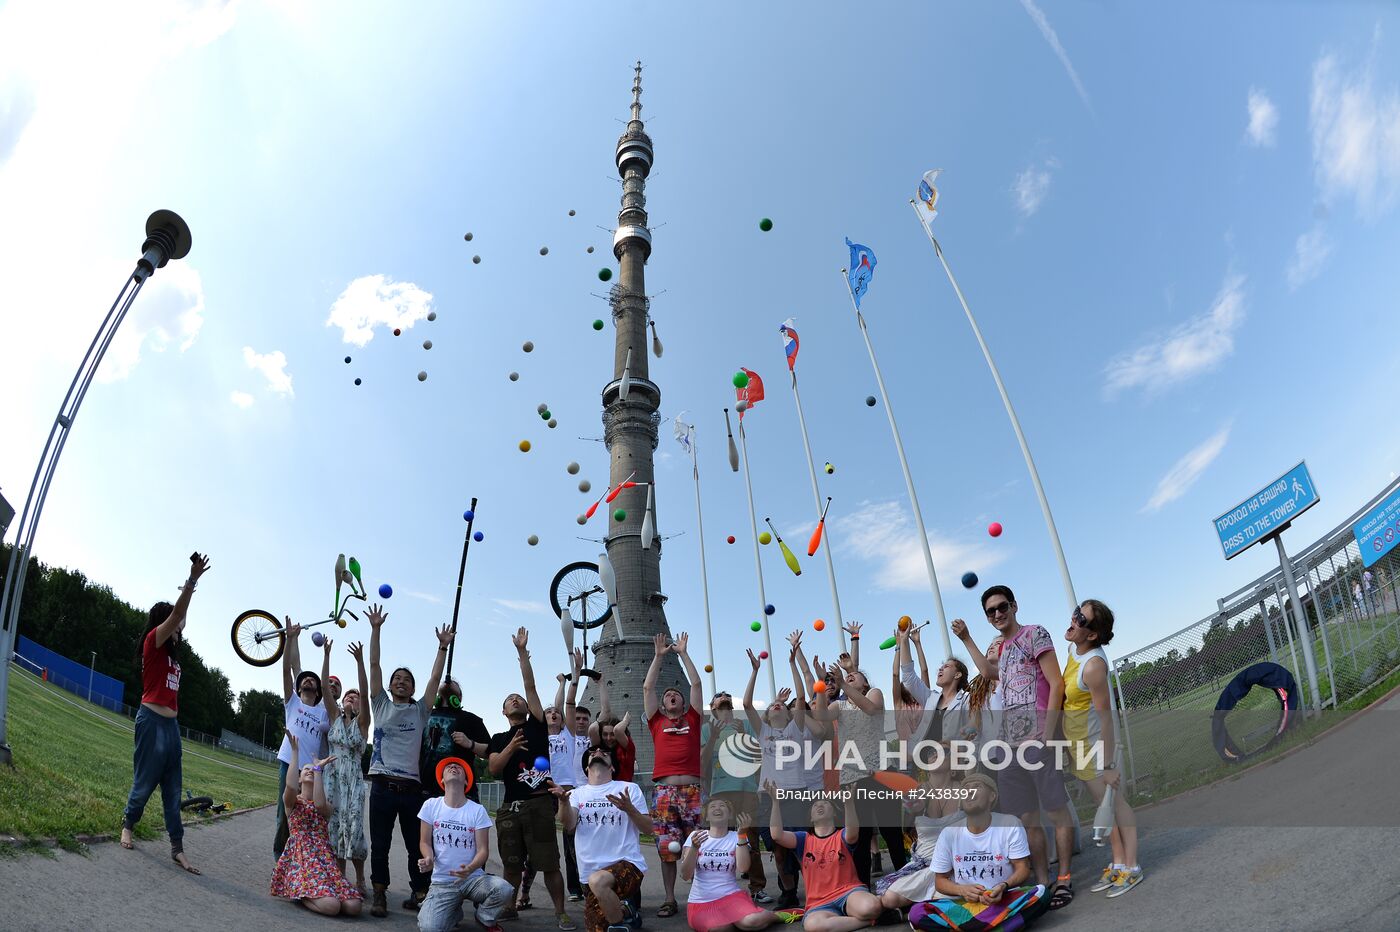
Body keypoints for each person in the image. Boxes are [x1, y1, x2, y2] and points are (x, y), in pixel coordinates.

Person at [953, 585, 1075, 910]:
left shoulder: (1035, 633)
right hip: (1010, 748)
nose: (997, 614)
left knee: (1055, 810)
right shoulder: (1004, 650)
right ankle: (1042, 881)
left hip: (1038, 739)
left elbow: (1057, 682)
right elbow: (988, 672)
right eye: (990, 611)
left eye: (1001, 606)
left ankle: (1063, 878)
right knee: (1025, 819)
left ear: (1014, 605)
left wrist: (1048, 735)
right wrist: (966, 639)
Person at [120, 551, 210, 874]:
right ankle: (128, 824)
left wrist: (192, 592)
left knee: (173, 793)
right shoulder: (152, 642)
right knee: (144, 783)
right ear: (163, 621)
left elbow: (182, 618)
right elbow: (177, 617)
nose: (179, 627)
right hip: (151, 723)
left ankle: (177, 849)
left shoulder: (173, 657)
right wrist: (192, 581)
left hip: (172, 731)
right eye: (173, 621)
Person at [366, 603, 455, 917]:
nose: (401, 681)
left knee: (416, 845)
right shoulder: (380, 705)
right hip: (381, 786)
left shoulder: (420, 710)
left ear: (413, 688)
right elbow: (374, 663)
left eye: (407, 679)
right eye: (397, 678)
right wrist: (376, 629)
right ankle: (379, 894)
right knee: (380, 844)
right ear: (390, 686)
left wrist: (442, 646)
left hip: (411, 790)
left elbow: (434, 678)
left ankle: (420, 892)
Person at [488, 627, 575, 930]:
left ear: (527, 707)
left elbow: (530, 684)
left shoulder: (538, 725)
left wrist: (522, 653)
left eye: (518, 699)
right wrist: (511, 747)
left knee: (549, 864)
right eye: (509, 700)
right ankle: (508, 907)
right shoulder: (499, 737)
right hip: (511, 807)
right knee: (511, 865)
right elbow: (495, 768)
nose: (515, 700)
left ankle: (560, 912)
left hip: (539, 805)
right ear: (503, 711)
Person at [808, 626, 906, 889]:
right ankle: (862, 887)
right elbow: (821, 717)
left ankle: (905, 883)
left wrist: (843, 683)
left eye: (855, 677)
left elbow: (871, 709)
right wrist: (820, 686)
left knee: (891, 831)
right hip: (853, 776)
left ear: (864, 683)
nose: (850, 678)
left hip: (881, 771)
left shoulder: (873, 694)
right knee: (860, 836)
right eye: (847, 678)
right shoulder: (839, 705)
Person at [1063, 599, 1143, 899]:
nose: (1073, 620)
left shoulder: (1094, 665)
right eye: (1075, 614)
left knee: (1117, 805)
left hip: (1099, 749)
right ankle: (1118, 861)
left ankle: (1133, 867)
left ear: (1093, 635)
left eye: (1081, 620)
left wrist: (1109, 766)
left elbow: (1107, 718)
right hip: (1079, 746)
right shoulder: (1073, 649)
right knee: (1103, 808)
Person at [909, 773, 1049, 931]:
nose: (969, 792)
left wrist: (1003, 885)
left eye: (976, 787)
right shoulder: (949, 833)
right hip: (964, 905)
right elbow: (940, 881)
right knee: (916, 913)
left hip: (1000, 901)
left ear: (992, 796)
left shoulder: (1009, 823)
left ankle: (969, 928)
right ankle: (997, 927)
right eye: (965, 789)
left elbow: (1022, 867)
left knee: (1042, 894)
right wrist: (961, 890)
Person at [764, 780, 882, 932]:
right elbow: (777, 835)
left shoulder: (842, 835)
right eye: (815, 805)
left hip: (849, 893)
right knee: (813, 926)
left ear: (833, 812)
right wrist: (775, 802)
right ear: (811, 818)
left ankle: (869, 914)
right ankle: (871, 921)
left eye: (825, 803)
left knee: (871, 907)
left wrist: (849, 804)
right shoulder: (803, 839)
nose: (819, 805)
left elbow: (853, 833)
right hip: (819, 902)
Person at [643, 631, 706, 918]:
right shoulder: (656, 721)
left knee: (699, 846)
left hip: (692, 792)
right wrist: (658, 657)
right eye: (668, 695)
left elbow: (695, 682)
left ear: (683, 704)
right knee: (668, 850)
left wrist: (682, 653)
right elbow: (647, 689)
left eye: (675, 695)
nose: (671, 696)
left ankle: (701, 897)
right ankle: (669, 898)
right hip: (665, 794)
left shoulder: (693, 718)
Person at [556, 744, 649, 932]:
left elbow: (648, 828)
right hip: (588, 877)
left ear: (612, 766)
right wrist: (563, 802)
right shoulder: (576, 794)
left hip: (628, 866)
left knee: (599, 882)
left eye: (604, 753)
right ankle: (627, 914)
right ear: (586, 768)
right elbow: (569, 824)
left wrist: (629, 809)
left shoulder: (628, 789)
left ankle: (621, 923)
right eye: (592, 753)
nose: (598, 753)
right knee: (596, 928)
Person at [416, 757, 514, 932]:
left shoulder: (477, 810)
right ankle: (454, 912)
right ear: (442, 780)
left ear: (467, 781)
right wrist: (428, 858)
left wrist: (470, 868)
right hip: (443, 882)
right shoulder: (431, 805)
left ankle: (484, 918)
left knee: (504, 889)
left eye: (459, 767)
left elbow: (483, 850)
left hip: (473, 878)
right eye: (449, 767)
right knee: (429, 928)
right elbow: (424, 842)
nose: (453, 766)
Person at [270, 733, 364, 916]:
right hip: (303, 860)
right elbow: (289, 785)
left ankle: (317, 895)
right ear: (299, 778)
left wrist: (319, 769)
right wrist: (295, 752)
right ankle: (301, 893)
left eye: (313, 769)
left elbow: (320, 805)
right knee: (332, 906)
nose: (310, 770)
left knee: (354, 907)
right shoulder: (293, 802)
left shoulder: (325, 806)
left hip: (325, 860)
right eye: (306, 769)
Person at [702, 674, 768, 905]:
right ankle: (720, 888)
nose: (725, 703)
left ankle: (757, 887)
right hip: (719, 791)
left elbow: (759, 757)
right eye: (720, 701)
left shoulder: (746, 725)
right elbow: (701, 764)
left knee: (749, 837)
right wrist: (713, 738)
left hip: (746, 789)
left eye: (728, 701)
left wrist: (742, 736)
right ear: (712, 708)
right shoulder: (706, 729)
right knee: (718, 840)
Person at [876, 753, 963, 911]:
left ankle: (921, 905)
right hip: (924, 865)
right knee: (889, 899)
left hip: (956, 866)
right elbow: (907, 828)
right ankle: (926, 903)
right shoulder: (919, 791)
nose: (936, 753)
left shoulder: (964, 789)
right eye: (932, 751)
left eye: (944, 752)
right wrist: (911, 810)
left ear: (954, 768)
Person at [275, 620, 332, 857]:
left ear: (318, 691)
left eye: (313, 681)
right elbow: (288, 668)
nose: (308, 681)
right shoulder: (292, 703)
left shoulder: (323, 712)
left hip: (309, 769)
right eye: (304, 680)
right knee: (284, 813)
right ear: (298, 688)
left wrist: (326, 656)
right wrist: (290, 639)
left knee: (306, 815)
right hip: (289, 762)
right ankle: (280, 859)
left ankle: (302, 860)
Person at [682, 799, 779, 932]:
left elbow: (743, 868)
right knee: (720, 929)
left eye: (722, 806)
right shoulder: (696, 836)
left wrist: (742, 835)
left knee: (751, 922)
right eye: (713, 807)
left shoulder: (736, 837)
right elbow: (685, 875)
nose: (718, 808)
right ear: (707, 816)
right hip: (701, 902)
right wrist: (694, 848)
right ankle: (736, 921)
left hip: (732, 899)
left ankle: (776, 916)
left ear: (730, 815)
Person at [327, 640, 370, 892]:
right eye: (347, 695)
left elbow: (365, 692)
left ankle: (361, 877)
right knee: (335, 828)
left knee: (354, 829)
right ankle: (340, 877)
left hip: (353, 779)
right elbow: (324, 686)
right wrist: (327, 656)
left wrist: (360, 661)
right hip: (333, 778)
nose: (351, 697)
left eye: (354, 696)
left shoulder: (363, 723)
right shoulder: (334, 718)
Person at [589, 675, 635, 783]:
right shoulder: (601, 749)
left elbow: (618, 731)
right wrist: (601, 683)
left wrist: (625, 722)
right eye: (605, 734)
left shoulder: (628, 749)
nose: (609, 738)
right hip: (604, 792)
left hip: (623, 791)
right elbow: (593, 729)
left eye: (612, 734)